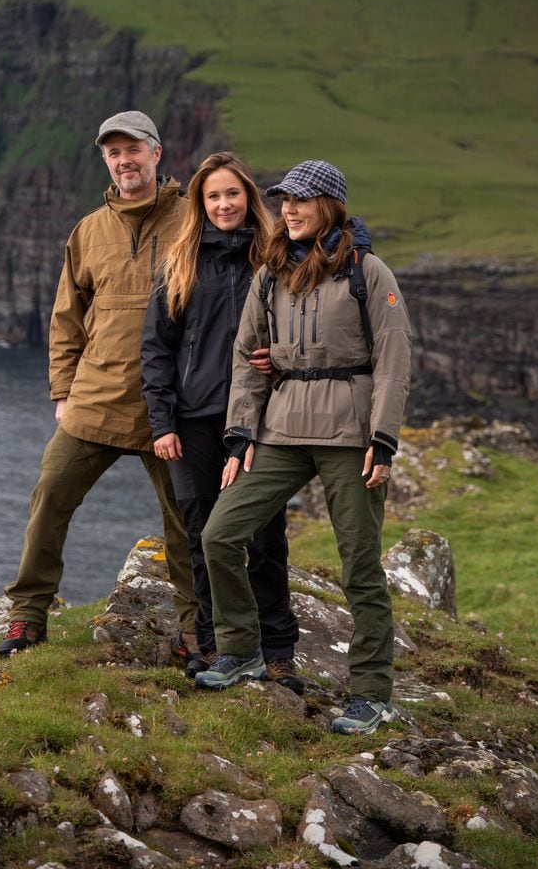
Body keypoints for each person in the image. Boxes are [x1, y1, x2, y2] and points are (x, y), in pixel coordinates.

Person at [195, 159, 412, 735]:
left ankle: (371, 693)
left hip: (350, 436)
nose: (288, 210)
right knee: (220, 534)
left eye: (302, 201)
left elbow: (394, 363)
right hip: (282, 429)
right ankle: (241, 650)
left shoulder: (370, 272)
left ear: (330, 207)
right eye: (284, 201)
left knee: (360, 565)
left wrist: (383, 440)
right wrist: (240, 436)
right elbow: (247, 357)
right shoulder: (270, 273)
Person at [0, 111, 197, 657]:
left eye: (133, 148)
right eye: (113, 152)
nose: (124, 160)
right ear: (105, 161)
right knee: (50, 498)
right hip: (94, 399)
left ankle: (195, 632)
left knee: (185, 521)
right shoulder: (89, 230)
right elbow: (66, 318)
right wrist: (63, 394)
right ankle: (27, 617)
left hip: (170, 407)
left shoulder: (194, 220)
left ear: (157, 153)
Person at [140, 152, 301, 689]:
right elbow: (155, 349)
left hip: (264, 420)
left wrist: (281, 356)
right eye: (213, 196)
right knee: (202, 535)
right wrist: (162, 422)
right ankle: (215, 648)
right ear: (200, 204)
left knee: (263, 537)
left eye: (232, 193)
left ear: (248, 198)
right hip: (193, 421)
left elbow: (309, 333)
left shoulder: (277, 259)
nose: (224, 204)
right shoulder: (180, 261)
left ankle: (278, 651)